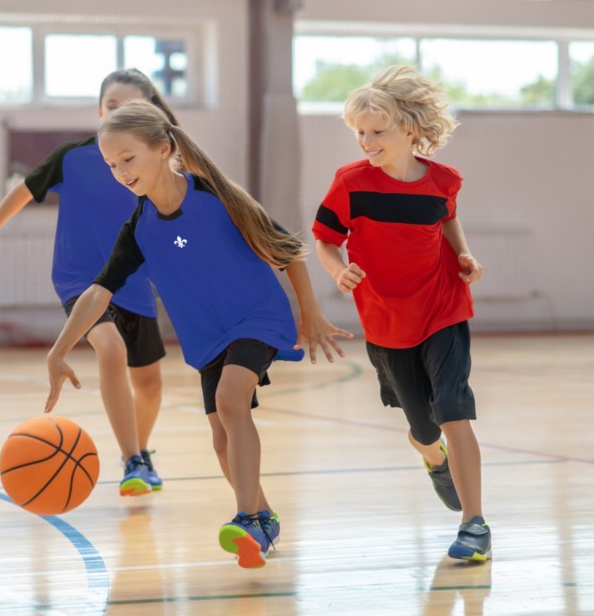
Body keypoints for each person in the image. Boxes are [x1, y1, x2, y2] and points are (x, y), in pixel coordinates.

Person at [45, 100, 354, 569]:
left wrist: (310, 312)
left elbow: (287, 250)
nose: (120, 172)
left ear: (163, 148)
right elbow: (97, 294)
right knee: (221, 441)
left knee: (231, 400)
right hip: (207, 338)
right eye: (111, 165)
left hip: (255, 316)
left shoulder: (215, 195)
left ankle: (247, 517)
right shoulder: (139, 228)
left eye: (128, 159)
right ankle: (265, 517)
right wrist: (59, 350)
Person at [310, 65, 490, 562]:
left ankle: (474, 523)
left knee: (453, 408)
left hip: (443, 307)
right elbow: (325, 240)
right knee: (425, 428)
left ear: (409, 128)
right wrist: (337, 271)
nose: (366, 142)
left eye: (377, 132)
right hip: (387, 321)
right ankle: (434, 458)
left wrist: (464, 255)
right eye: (360, 133)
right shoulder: (350, 183)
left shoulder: (444, 181)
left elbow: (447, 219)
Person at [0, 69, 174, 497]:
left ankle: (139, 453)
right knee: (110, 348)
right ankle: (133, 459)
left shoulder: (157, 164)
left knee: (150, 385)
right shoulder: (72, 157)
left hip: (135, 281)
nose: (119, 112)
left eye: (132, 107)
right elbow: (23, 192)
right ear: (99, 111)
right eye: (112, 106)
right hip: (80, 278)